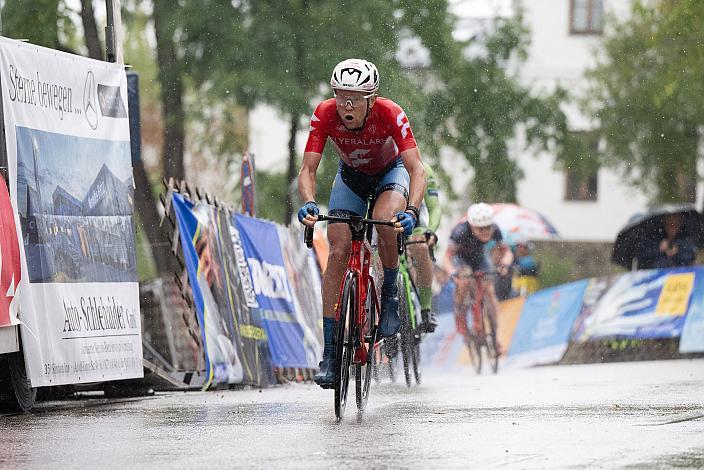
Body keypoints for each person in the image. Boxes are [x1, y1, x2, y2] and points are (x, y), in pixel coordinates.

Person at [297, 59, 426, 388]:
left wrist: (411, 210)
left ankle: (390, 291)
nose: (346, 105)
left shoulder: (390, 112)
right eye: (341, 96)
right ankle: (329, 354)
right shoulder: (324, 113)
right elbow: (308, 169)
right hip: (351, 179)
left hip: (389, 173)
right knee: (338, 251)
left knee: (385, 221)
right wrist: (309, 203)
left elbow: (417, 169)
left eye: (355, 98)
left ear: (372, 99)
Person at [444, 203, 513, 350]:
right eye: (481, 228)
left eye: (488, 227)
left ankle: (494, 337)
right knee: (465, 279)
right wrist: (451, 272)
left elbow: (507, 252)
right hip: (461, 259)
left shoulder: (495, 229)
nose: (486, 231)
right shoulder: (460, 232)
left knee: (490, 292)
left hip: (479, 258)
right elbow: (447, 257)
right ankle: (460, 313)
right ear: (471, 225)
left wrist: (505, 264)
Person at [406, 161, 441, 333]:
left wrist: (431, 232)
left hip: (414, 222)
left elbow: (434, 208)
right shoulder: (376, 164)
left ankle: (426, 309)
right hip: (385, 220)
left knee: (420, 246)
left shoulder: (424, 169)